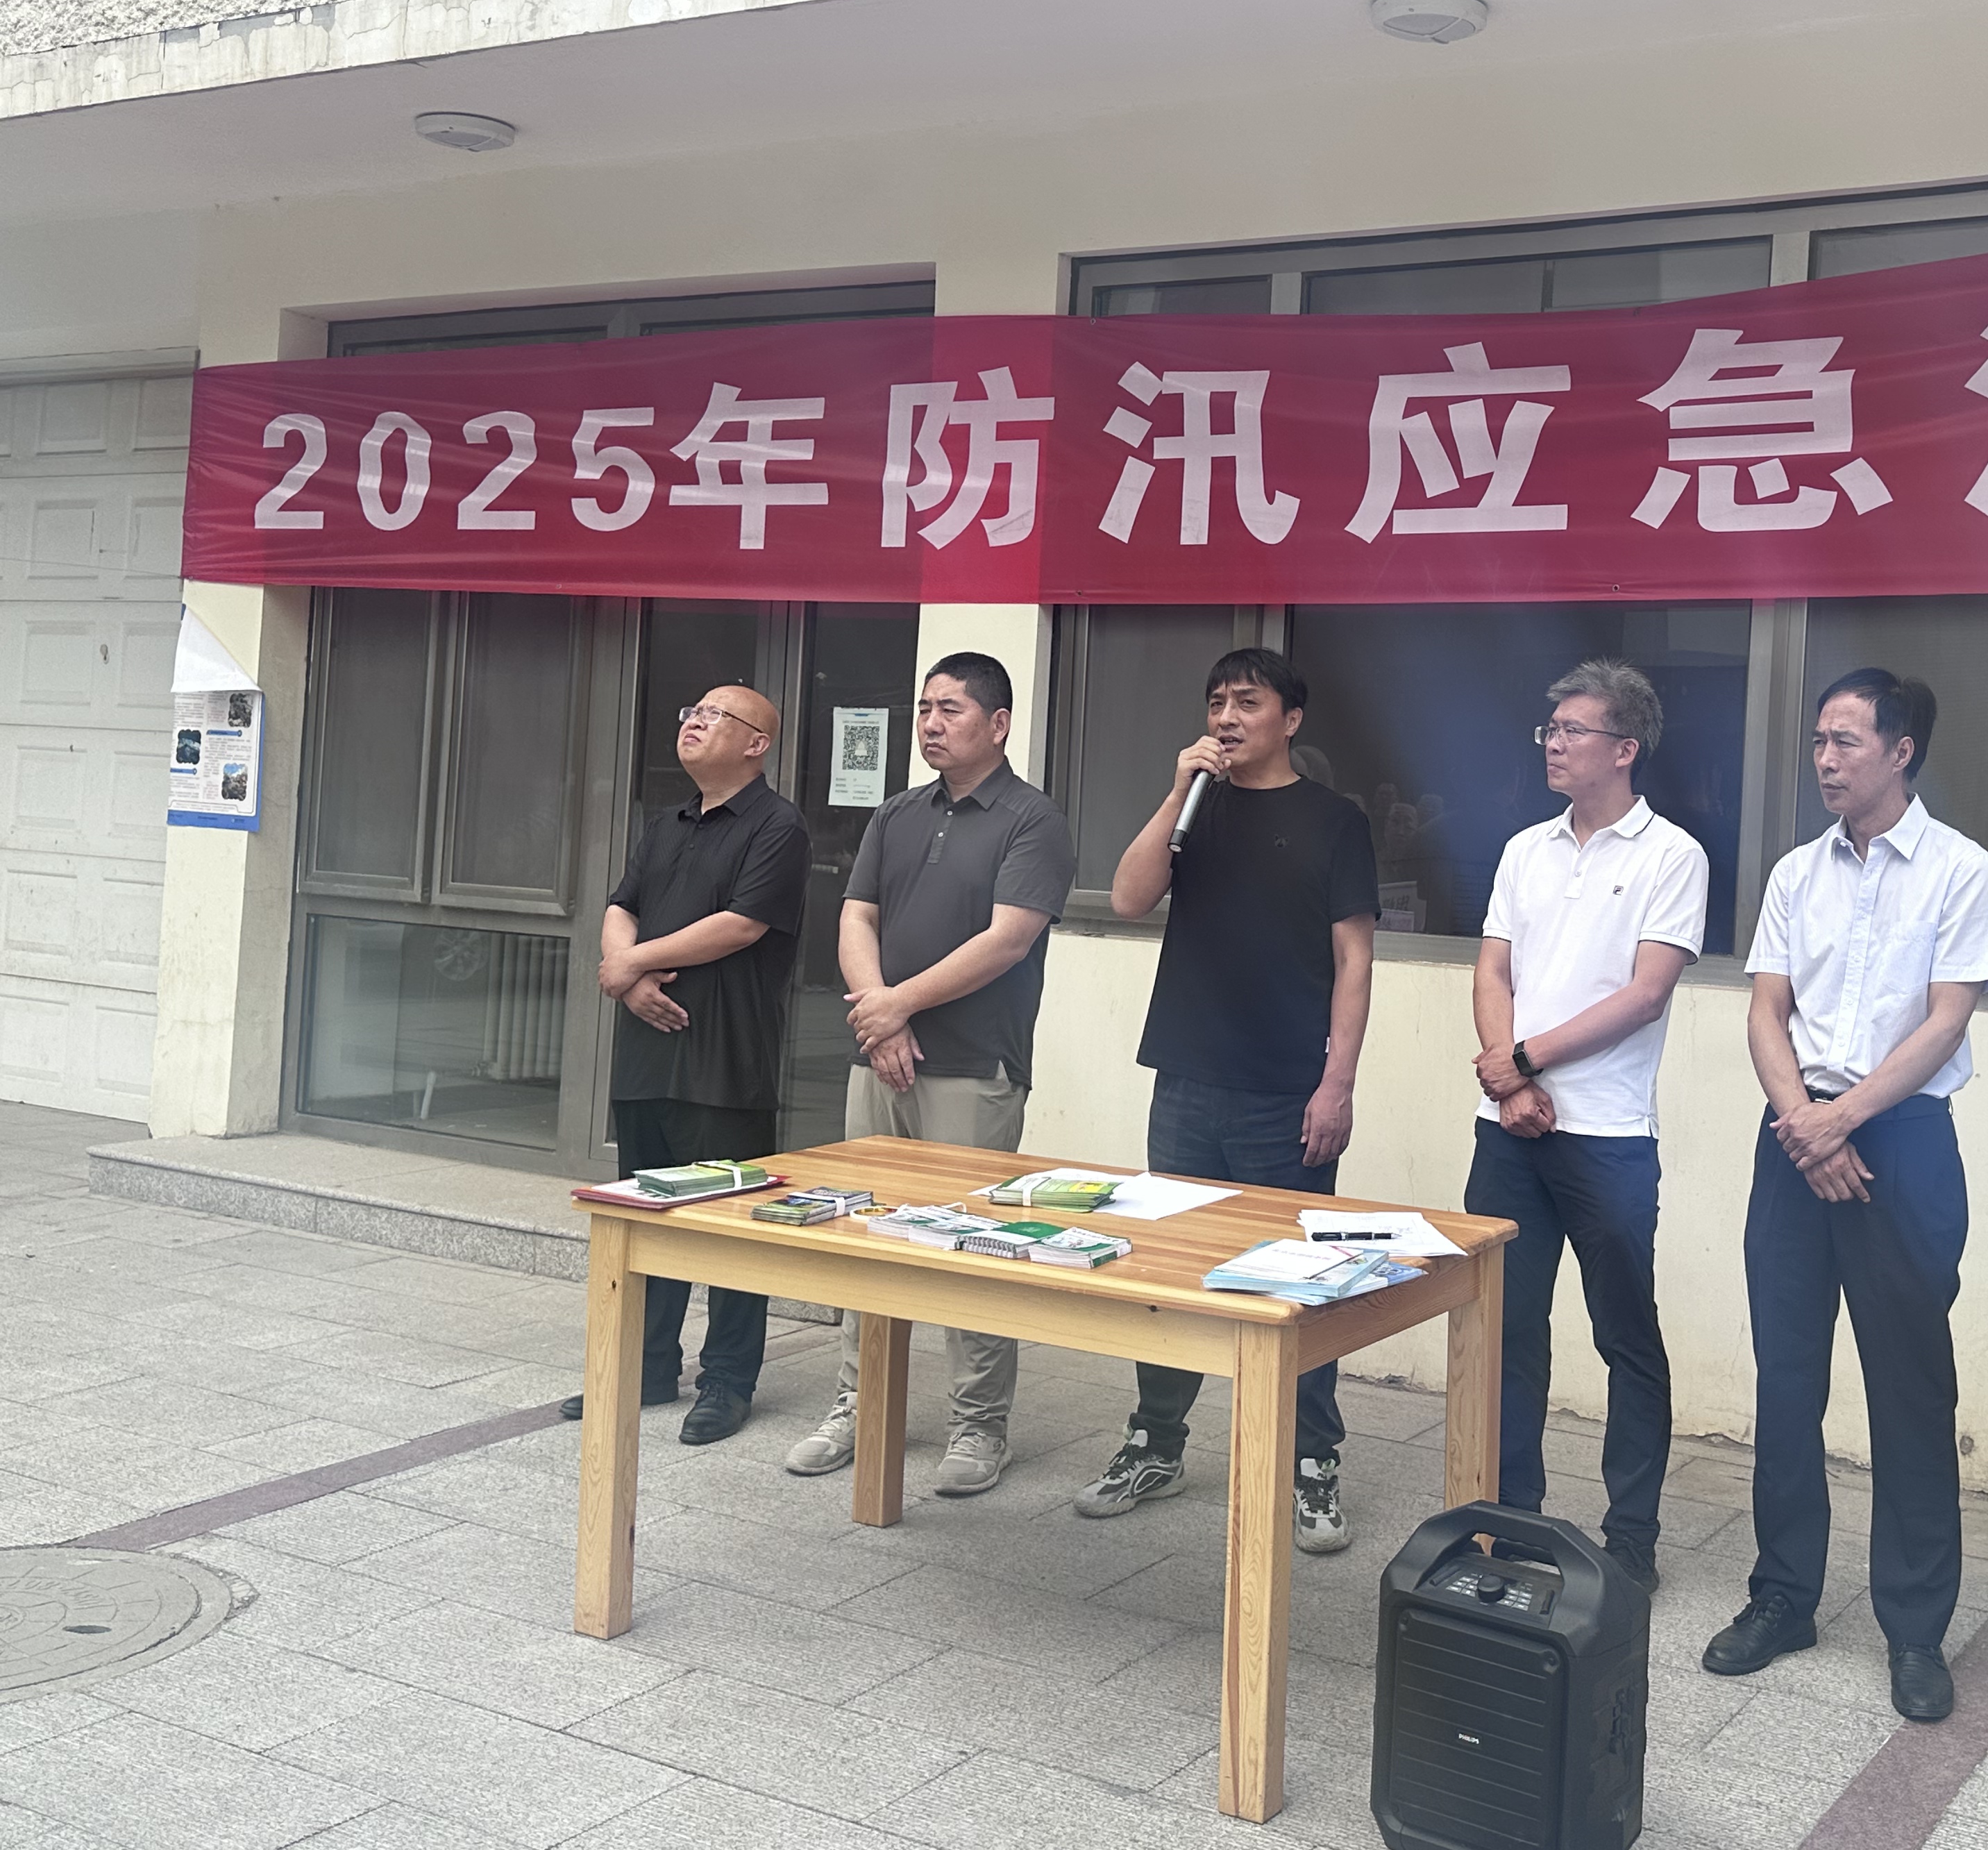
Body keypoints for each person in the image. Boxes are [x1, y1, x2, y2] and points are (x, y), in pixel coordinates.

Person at [1703, 668, 1988, 1729]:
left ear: (1901, 750)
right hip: (1795, 1137)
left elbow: (1946, 1020)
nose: (1825, 759)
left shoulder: (1963, 870)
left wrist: (1846, 1120)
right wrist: (1805, 1121)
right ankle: (1783, 1598)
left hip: (1903, 1144)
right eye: (1819, 741)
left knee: (1911, 1392)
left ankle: (1915, 1630)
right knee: (1787, 1381)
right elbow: (1766, 1012)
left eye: (1845, 741)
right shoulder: (1797, 872)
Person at [1076, 647, 1379, 1554]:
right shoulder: (1195, 808)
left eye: (1247, 701)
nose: (1227, 717)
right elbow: (1129, 899)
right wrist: (1178, 791)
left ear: (1291, 718)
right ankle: (1155, 1443)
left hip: (1286, 1092)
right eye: (1216, 702)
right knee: (1170, 1272)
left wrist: (1337, 1083)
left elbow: (1355, 960)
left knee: (1300, 1282)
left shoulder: (1335, 820)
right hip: (1186, 1080)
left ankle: (1312, 1462)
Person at [783, 654, 1077, 1494]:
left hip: (974, 1066)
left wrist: (896, 1006)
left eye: (950, 708)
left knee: (972, 1247)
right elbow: (856, 916)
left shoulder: (1032, 819)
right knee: (866, 1236)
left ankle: (980, 1426)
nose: (931, 723)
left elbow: (1007, 940)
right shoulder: (897, 813)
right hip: (881, 1061)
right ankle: (860, 1402)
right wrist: (880, 1016)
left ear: (999, 723)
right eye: (923, 708)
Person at [1467, 659, 1708, 1593]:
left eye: (1573, 730)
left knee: (1625, 1336)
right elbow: (1494, 969)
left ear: (1624, 748)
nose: (1554, 744)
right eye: (1551, 729)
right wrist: (1507, 1081)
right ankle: (1508, 1519)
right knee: (1506, 1330)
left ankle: (1632, 1534)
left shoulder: (1671, 856)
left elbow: (1645, 995)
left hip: (1607, 1137)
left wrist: (1525, 1061)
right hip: (1509, 1132)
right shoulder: (1525, 848)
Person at [561, 684, 810, 1445]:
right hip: (648, 1052)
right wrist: (626, 975)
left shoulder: (778, 826)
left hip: (724, 1058)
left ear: (757, 743)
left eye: (714, 715)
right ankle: (645, 1368)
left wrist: (631, 964)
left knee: (730, 1227)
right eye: (690, 713)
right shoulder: (664, 824)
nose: (694, 722)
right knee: (645, 1217)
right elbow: (622, 905)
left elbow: (741, 925)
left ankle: (728, 1381)